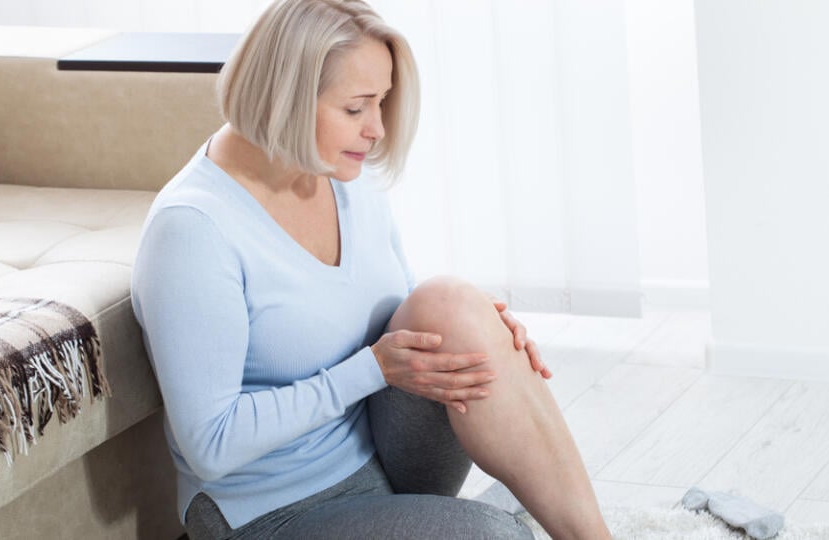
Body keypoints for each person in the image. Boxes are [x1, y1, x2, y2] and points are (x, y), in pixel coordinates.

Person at [131, 1, 612, 538]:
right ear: (285, 97)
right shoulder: (194, 230)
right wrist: (370, 371)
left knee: (453, 305)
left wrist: (479, 327)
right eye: (357, 108)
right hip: (270, 512)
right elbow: (210, 446)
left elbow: (403, 314)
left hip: (378, 461)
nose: (378, 128)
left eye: (381, 103)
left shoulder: (341, 178)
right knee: (497, 534)